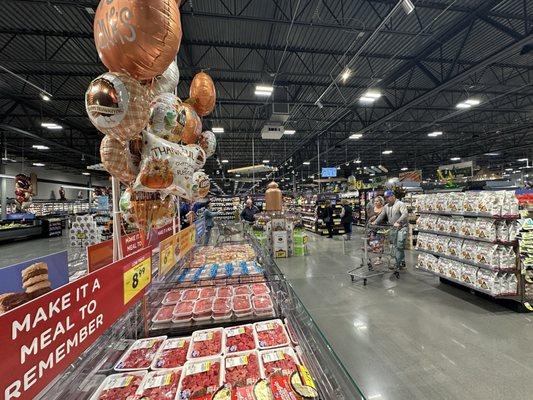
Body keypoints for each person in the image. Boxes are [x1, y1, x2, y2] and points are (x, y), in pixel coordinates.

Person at [373, 190, 409, 270]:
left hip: (401, 228)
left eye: (388, 197)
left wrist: (398, 221)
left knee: (399, 245)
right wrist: (375, 221)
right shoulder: (386, 206)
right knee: (395, 246)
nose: (386, 199)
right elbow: (382, 215)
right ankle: (402, 262)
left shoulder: (400, 204)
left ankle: (397, 264)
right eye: (385, 198)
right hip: (393, 228)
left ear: (393, 196)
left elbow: (405, 214)